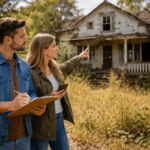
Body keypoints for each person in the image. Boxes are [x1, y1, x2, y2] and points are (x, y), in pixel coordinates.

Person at [26, 33, 89, 150]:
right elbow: (28, 96)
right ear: (44, 50)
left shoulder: (54, 67)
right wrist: (49, 97)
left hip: (58, 120)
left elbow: (66, 66)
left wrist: (79, 57)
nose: (57, 48)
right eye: (54, 46)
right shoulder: (30, 72)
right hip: (40, 124)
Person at [0, 18, 46, 150]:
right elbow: (13, 105)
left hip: (23, 138)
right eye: (22, 36)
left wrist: (34, 104)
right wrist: (10, 105)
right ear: (8, 40)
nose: (26, 39)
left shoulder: (24, 65)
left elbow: (30, 92)